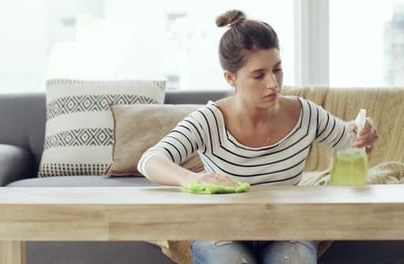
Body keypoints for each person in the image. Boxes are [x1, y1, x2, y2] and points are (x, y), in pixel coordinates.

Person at [137, 9, 379, 264]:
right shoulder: (210, 120)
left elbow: (351, 145)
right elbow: (151, 159)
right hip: (221, 231)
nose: (273, 83)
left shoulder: (305, 113)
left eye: (277, 70)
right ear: (231, 78)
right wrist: (192, 178)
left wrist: (364, 135)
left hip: (287, 229)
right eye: (259, 75)